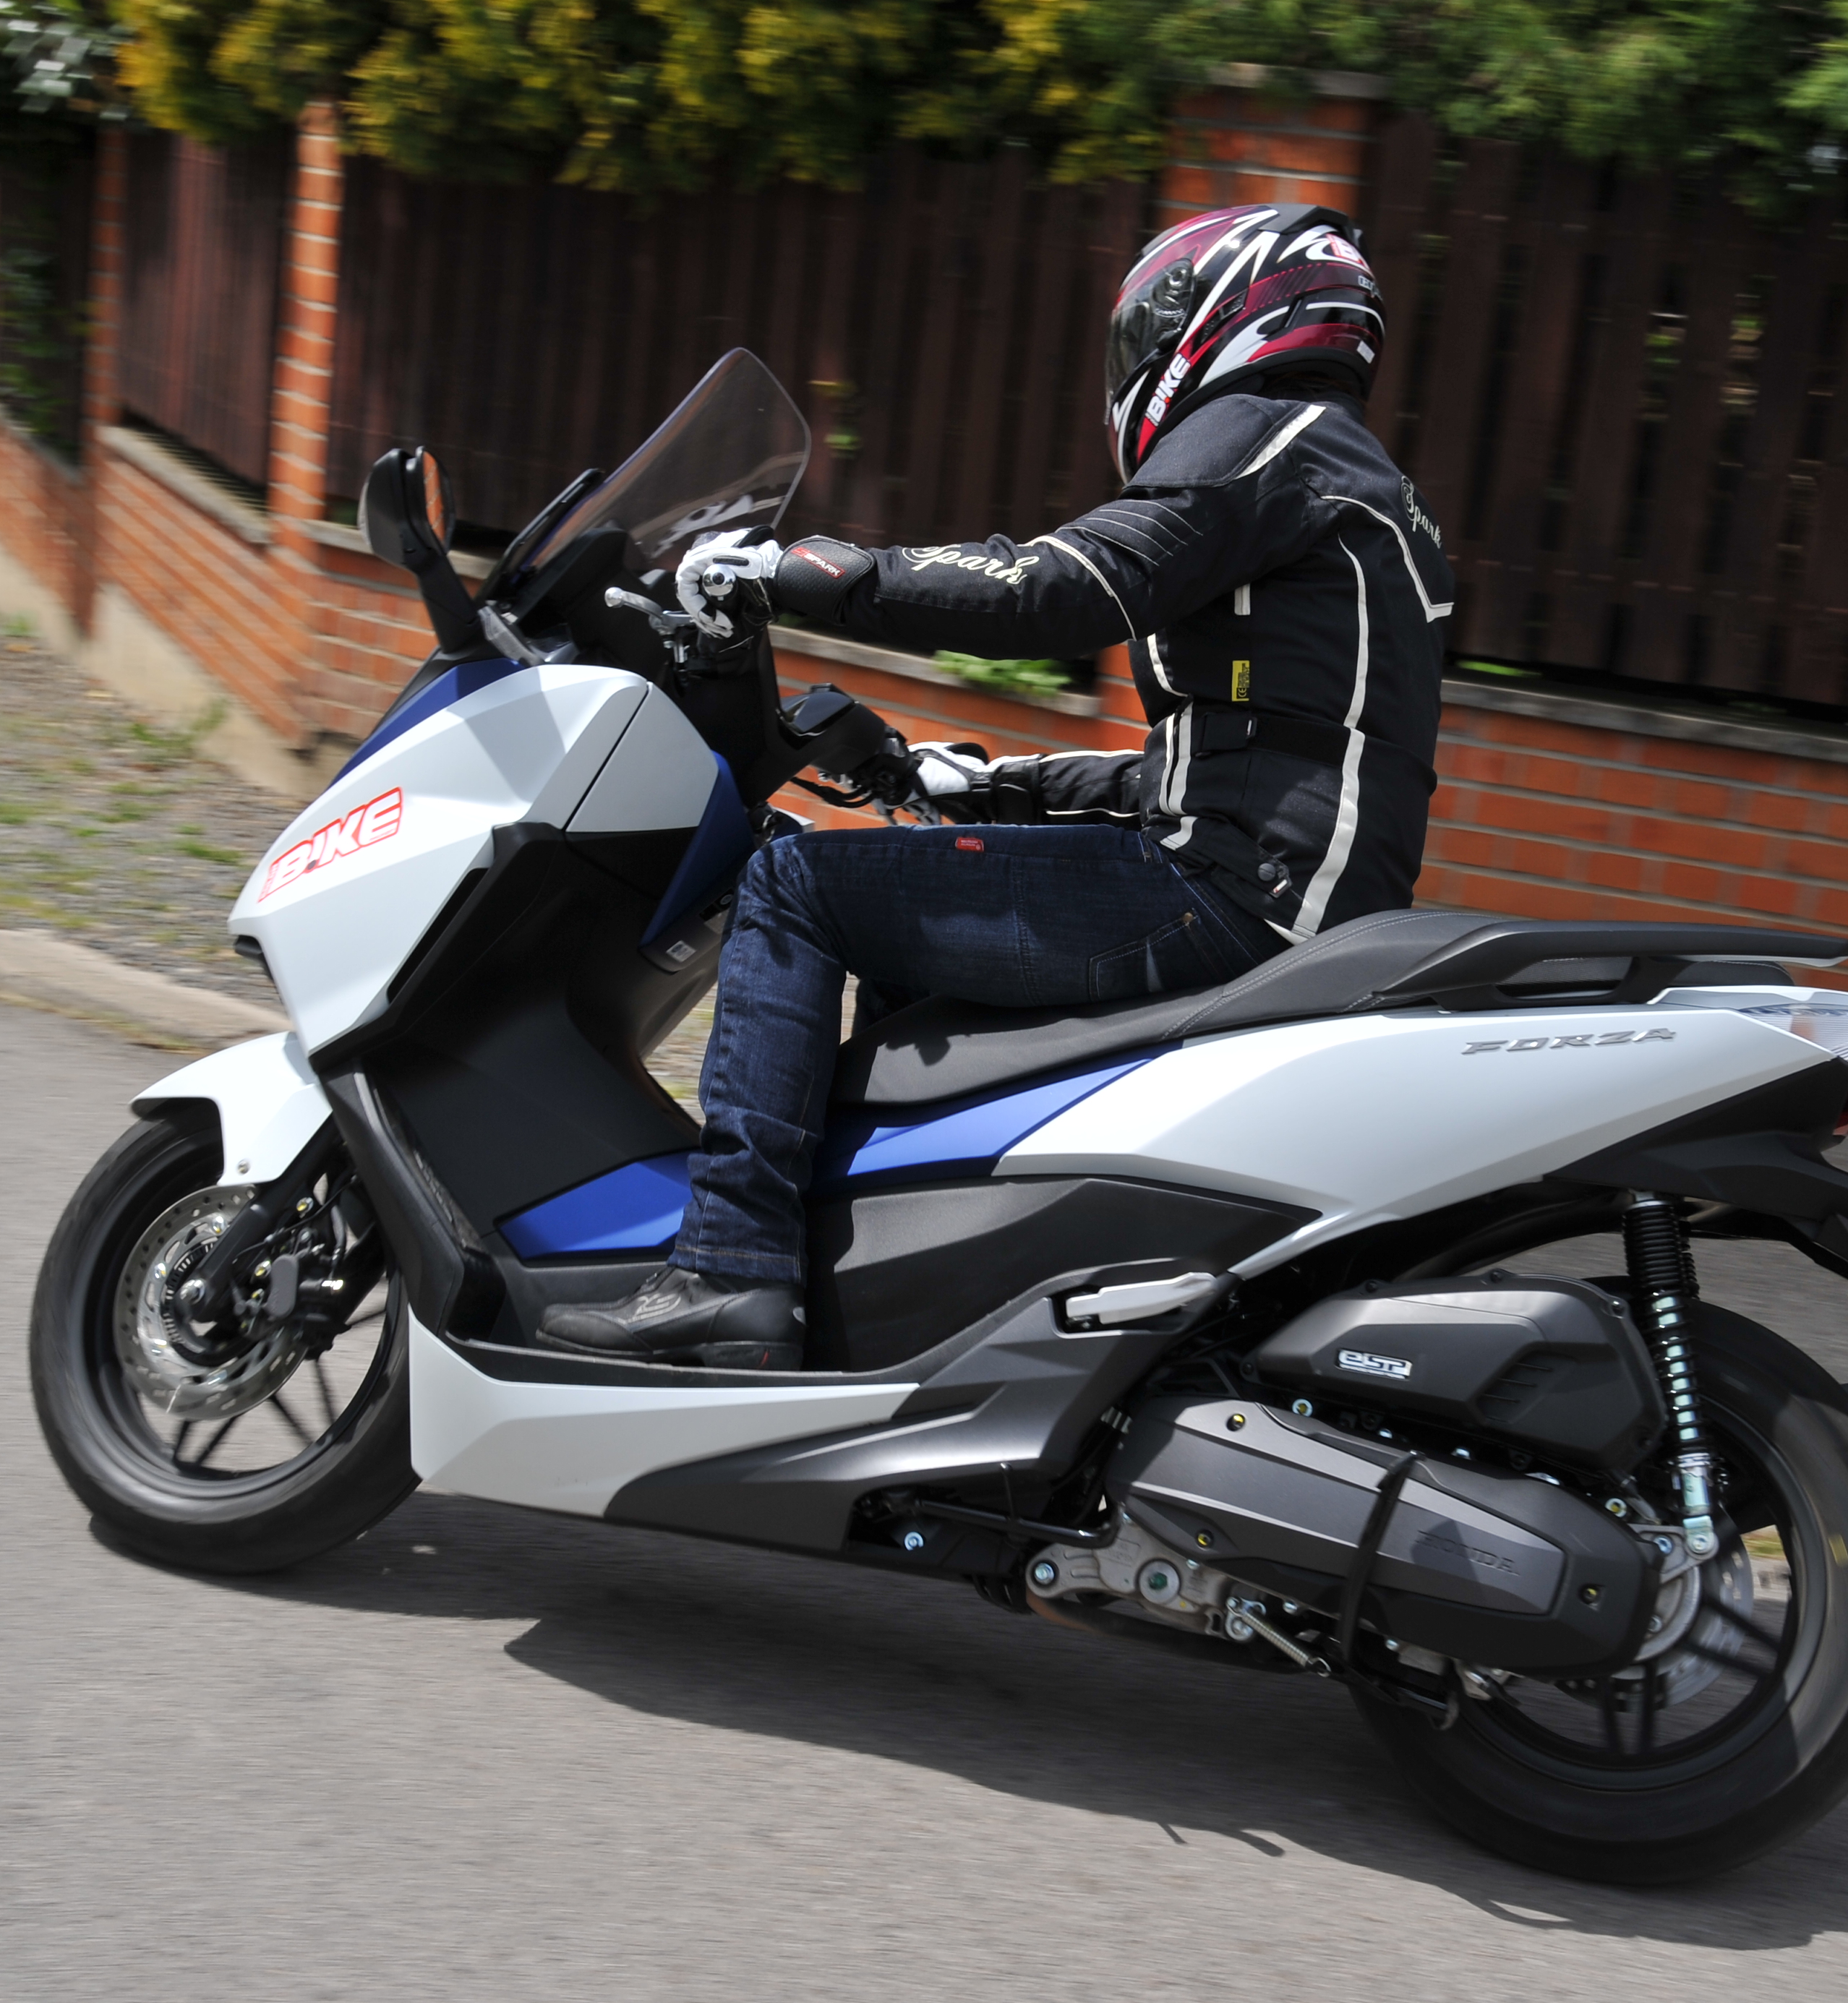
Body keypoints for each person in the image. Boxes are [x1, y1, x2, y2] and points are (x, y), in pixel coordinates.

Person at [541, 202, 1455, 1368]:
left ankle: (729, 1266)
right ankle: (891, 1273)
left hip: (1231, 900)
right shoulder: (1353, 475)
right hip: (1281, 896)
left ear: (1226, 312)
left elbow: (1055, 588)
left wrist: (796, 571)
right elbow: (1251, 764)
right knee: (907, 910)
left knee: (797, 887)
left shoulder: (1262, 439)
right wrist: (996, 784)